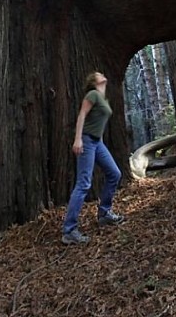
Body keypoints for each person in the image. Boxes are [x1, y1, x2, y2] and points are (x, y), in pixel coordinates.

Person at [62, 71, 124, 245]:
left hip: (97, 142)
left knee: (114, 174)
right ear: (94, 81)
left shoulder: (103, 98)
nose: (102, 74)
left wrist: (100, 141)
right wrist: (78, 139)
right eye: (98, 74)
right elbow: (82, 115)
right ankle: (69, 230)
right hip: (86, 141)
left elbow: (99, 122)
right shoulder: (92, 94)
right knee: (83, 183)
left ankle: (104, 213)